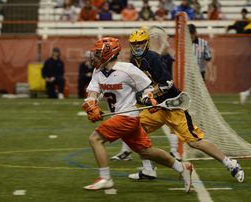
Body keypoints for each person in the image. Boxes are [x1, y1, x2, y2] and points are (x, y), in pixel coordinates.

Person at [111, 29, 244, 184]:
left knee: (194, 142)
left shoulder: (154, 58)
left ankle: (230, 163)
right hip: (156, 108)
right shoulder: (134, 61)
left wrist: (149, 94)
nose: (137, 46)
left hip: (171, 106)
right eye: (134, 44)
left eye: (140, 43)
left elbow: (167, 84)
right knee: (132, 129)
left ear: (147, 43)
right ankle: (148, 169)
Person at [82, 37, 193, 192]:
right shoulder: (98, 71)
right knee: (146, 152)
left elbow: (147, 87)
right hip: (120, 118)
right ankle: (183, 168)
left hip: (128, 118)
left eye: (99, 53)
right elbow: (93, 92)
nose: (95, 56)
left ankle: (105, 177)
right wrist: (92, 105)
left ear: (109, 53)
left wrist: (150, 99)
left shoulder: (127, 69)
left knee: (95, 139)